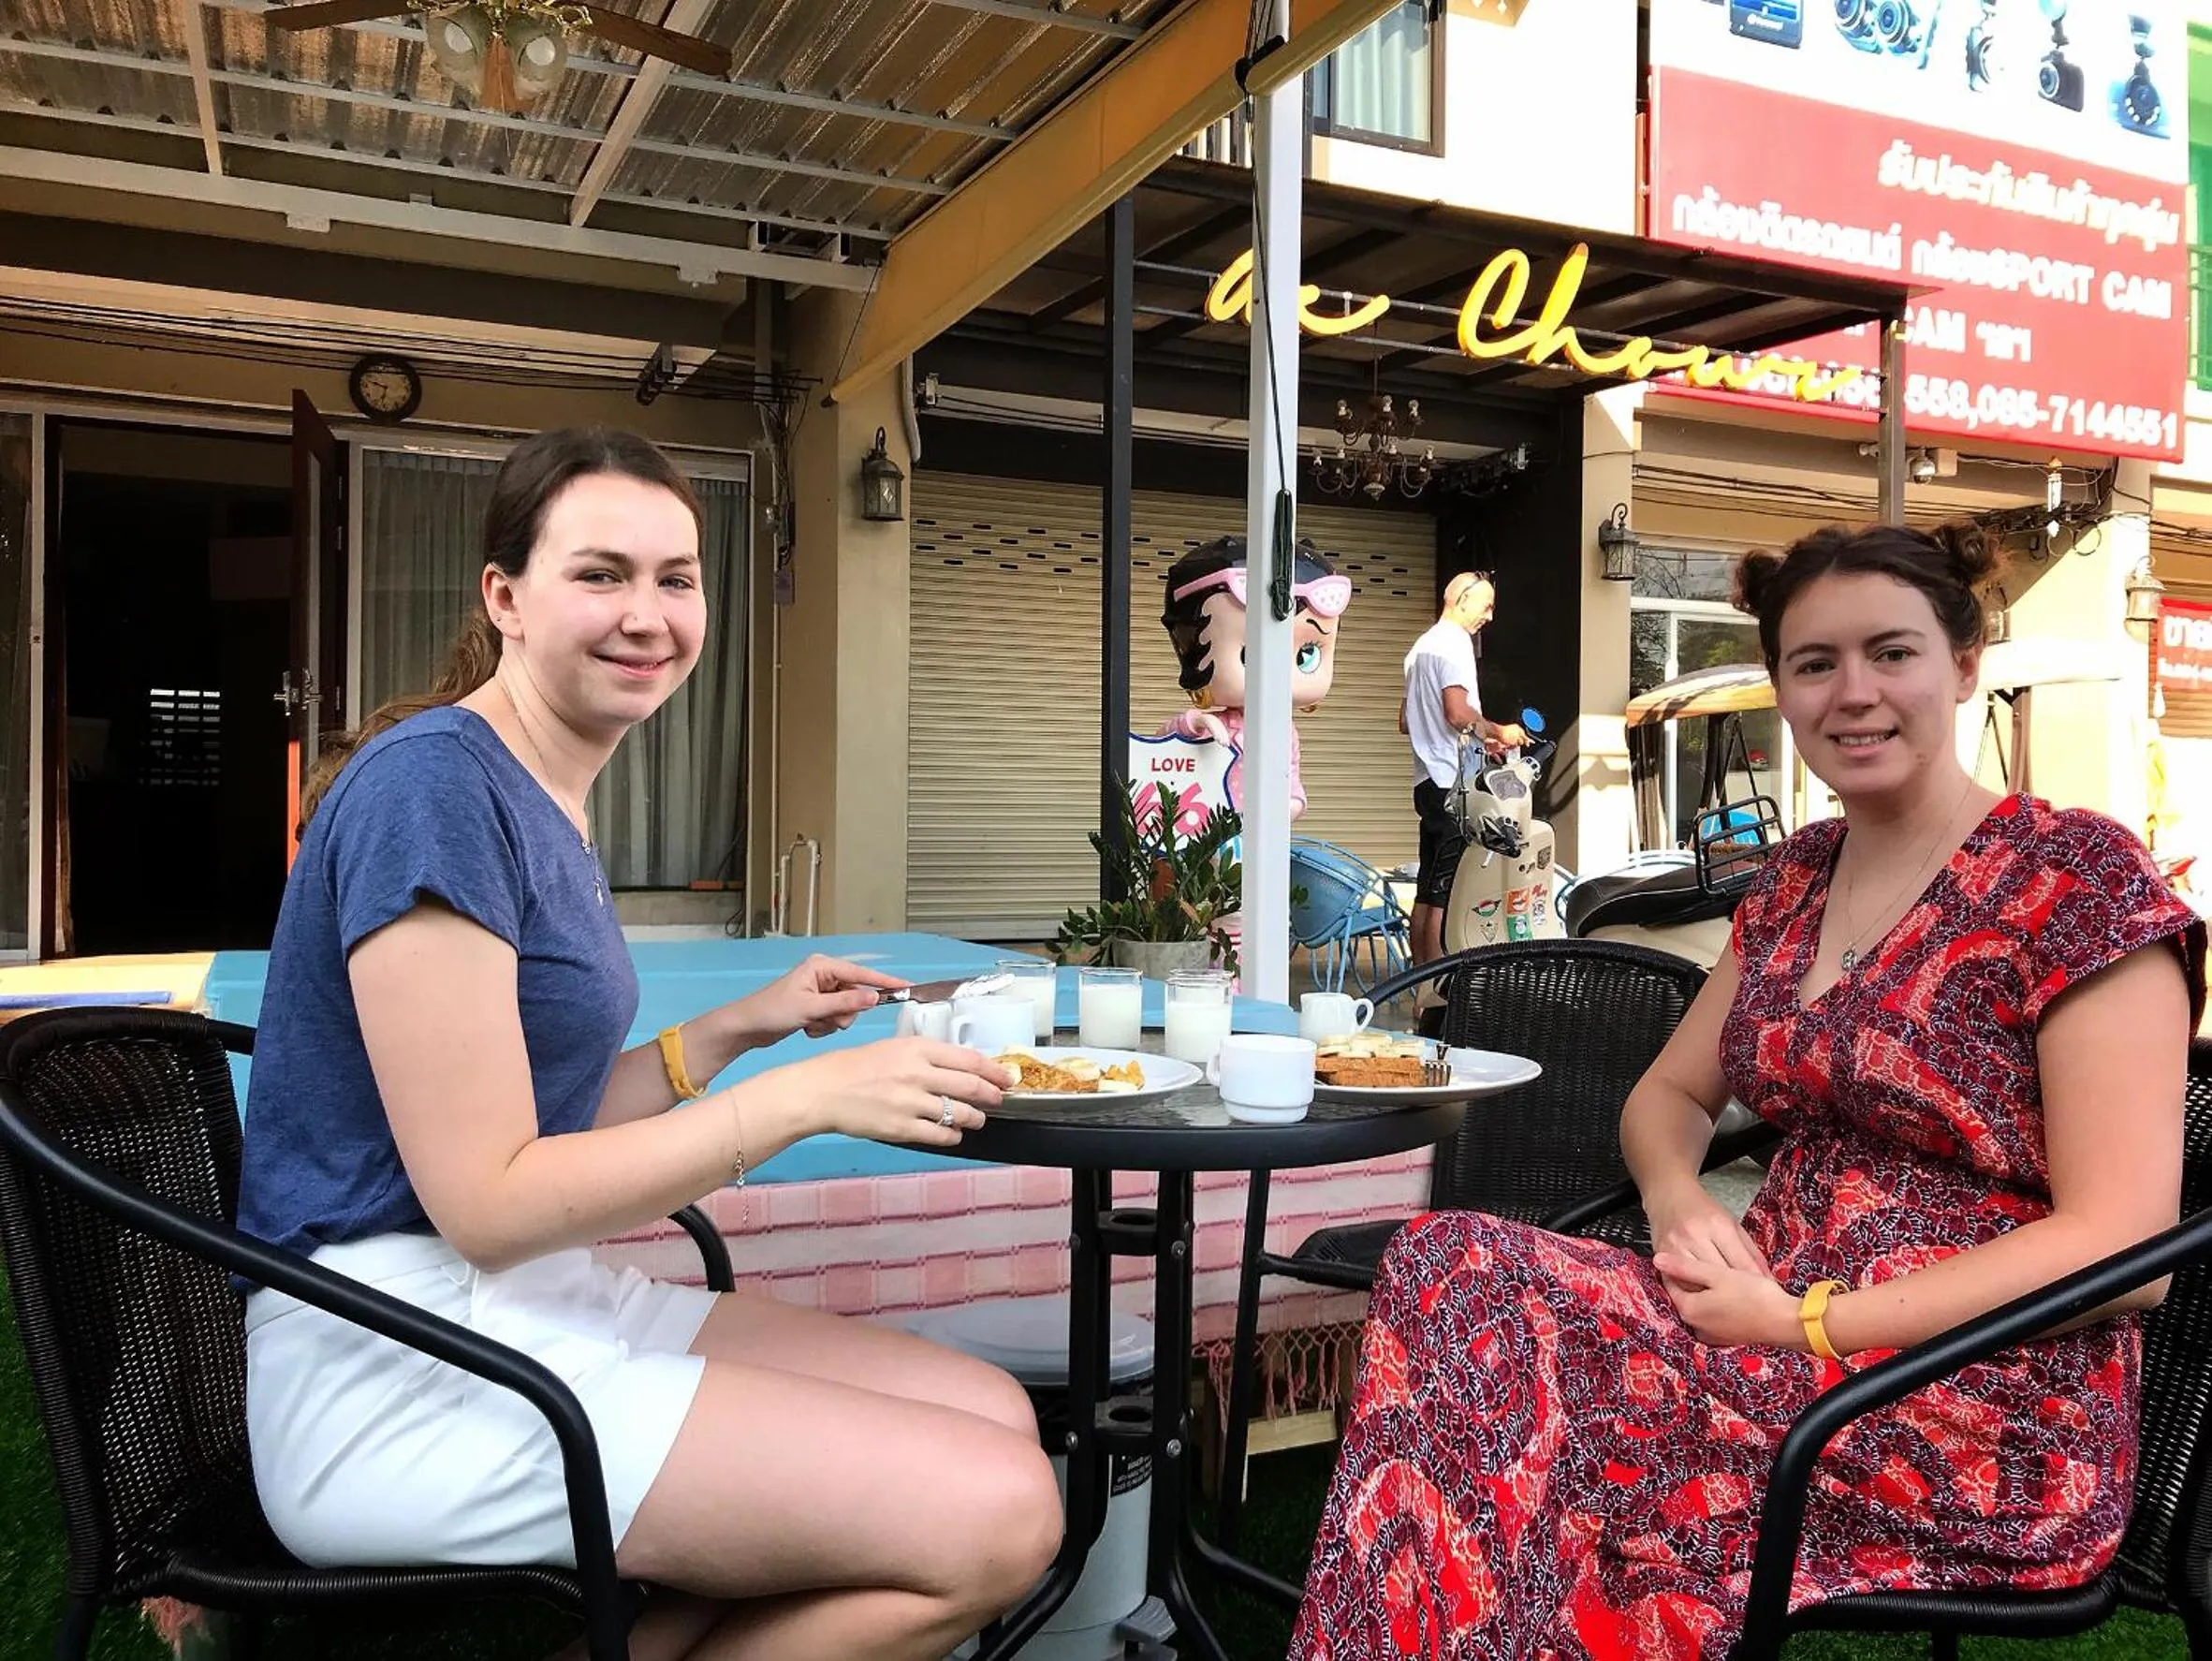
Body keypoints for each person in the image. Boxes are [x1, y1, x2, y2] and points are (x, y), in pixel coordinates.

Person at [1295, 522, 2206, 1661]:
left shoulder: (2074, 879)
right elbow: (1664, 1099)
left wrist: (1803, 1321)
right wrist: (1679, 1202)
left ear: (1963, 663)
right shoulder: (1797, 879)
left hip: (1966, 1405)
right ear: (1782, 688)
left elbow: (2122, 1249)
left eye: (1891, 652)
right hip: (1754, 1329)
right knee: (1447, 1265)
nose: (1852, 692)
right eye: (1813, 663)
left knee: (1510, 1382)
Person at [236, 428, 1062, 1661]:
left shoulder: (542, 787)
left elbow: (538, 1124)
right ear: (506, 598)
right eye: (600, 573)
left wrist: (735, 1027)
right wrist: (801, 1099)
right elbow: (489, 1203)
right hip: (394, 1354)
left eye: (675, 577)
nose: (647, 614)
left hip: (524, 1296)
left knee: (991, 1407)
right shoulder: (435, 790)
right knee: (999, 1515)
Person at [1401, 571, 1526, 965]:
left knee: (1427, 891)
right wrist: (1500, 731)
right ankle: (1439, 984)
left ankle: (1420, 983)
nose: (1489, 616)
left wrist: (1480, 739)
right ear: (1462, 599)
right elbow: (1456, 713)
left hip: (1427, 781)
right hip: (1452, 786)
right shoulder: (1453, 643)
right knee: (1446, 895)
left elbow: (1406, 719)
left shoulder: (1420, 648)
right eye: (1486, 606)